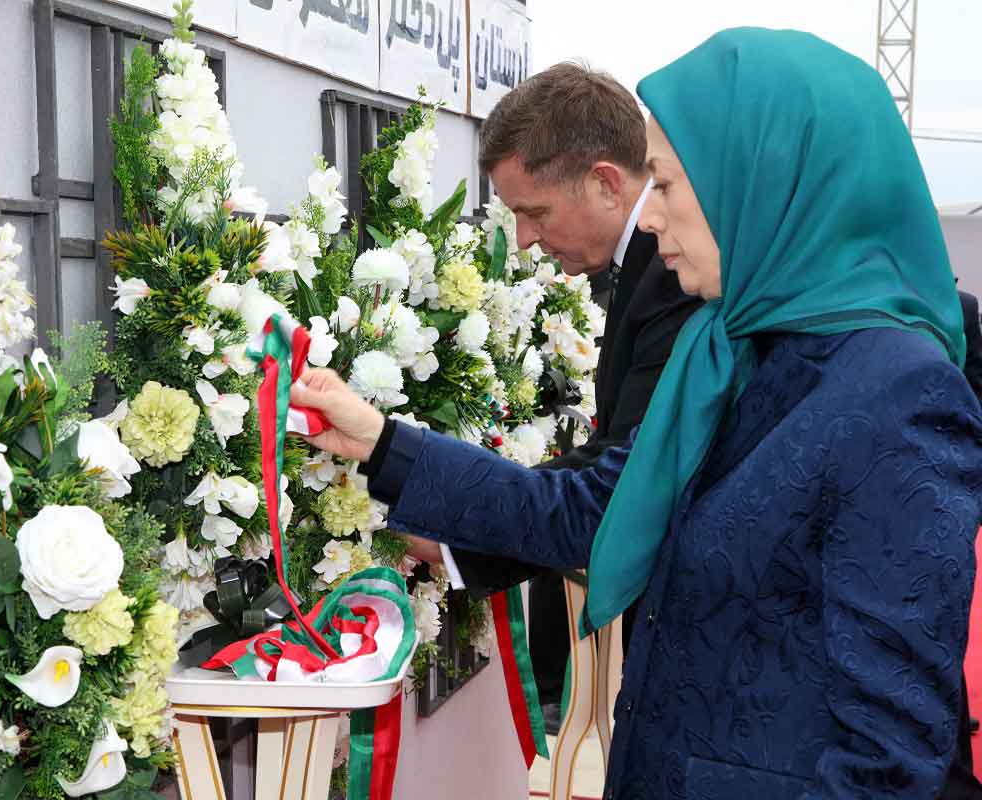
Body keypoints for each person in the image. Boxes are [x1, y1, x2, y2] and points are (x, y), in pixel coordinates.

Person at [293, 28, 982, 798]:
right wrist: (379, 443)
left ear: (762, 184)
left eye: (668, 185)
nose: (649, 220)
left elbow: (890, 753)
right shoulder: (731, 350)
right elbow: (605, 507)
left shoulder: (895, 393)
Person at [414, 62, 700, 728]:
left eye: (532, 211)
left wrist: (456, 527)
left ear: (603, 182)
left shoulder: (675, 277)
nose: (525, 239)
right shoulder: (642, 271)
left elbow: (624, 483)